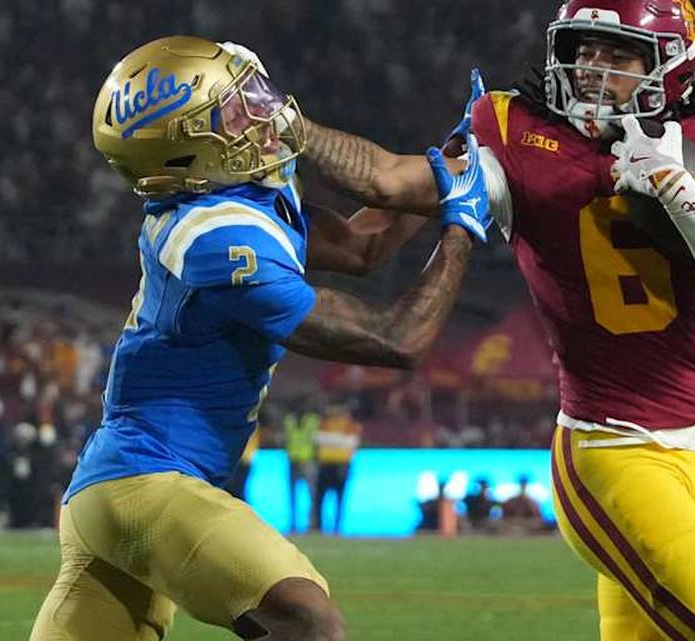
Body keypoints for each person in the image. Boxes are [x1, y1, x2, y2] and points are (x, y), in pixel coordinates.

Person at [294, 1, 695, 638]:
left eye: (618, 53)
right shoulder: (516, 138)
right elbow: (386, 181)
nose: (593, 68)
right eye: (583, 49)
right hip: (608, 450)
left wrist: (672, 184)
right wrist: (289, 125)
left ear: (671, 66)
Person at [29, 35, 492, 641]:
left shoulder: (237, 199)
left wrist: (451, 170)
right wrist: (462, 226)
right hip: (146, 481)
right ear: (188, 150)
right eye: (230, 111)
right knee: (306, 620)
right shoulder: (215, 241)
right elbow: (396, 339)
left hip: (116, 490)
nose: (257, 114)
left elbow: (363, 246)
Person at [312, 404, 362, 535]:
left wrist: (331, 440)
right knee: (321, 498)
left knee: (338, 499)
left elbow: (351, 442)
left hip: (341, 465)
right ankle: (320, 527)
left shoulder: (349, 425)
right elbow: (318, 439)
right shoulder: (326, 423)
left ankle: (336, 528)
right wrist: (339, 441)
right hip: (328, 464)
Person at [283, 406, 321, 532]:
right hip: (293, 460)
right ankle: (294, 524)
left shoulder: (312, 420)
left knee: (312, 495)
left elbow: (316, 441)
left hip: (307, 460)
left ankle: (311, 524)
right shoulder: (289, 420)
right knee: (293, 495)